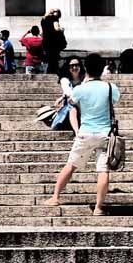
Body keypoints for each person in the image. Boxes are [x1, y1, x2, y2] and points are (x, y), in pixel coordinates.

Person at [44, 53, 121, 216]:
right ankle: (99, 207)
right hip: (105, 134)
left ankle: (55, 196)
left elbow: (72, 102)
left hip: (85, 132)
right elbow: (115, 100)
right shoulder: (110, 88)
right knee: (103, 170)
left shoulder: (80, 89)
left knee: (71, 165)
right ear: (102, 69)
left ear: (86, 69)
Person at [41, 9, 67, 77]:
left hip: (46, 41)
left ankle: (49, 72)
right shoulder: (54, 18)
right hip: (54, 41)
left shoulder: (43, 19)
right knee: (54, 58)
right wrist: (61, 29)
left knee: (49, 58)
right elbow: (56, 28)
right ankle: (54, 73)